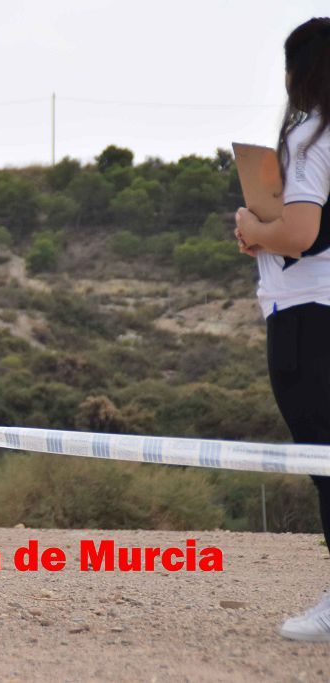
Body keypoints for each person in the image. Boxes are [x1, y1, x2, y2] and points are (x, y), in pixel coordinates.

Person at [234, 17, 330, 642]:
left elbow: (300, 234)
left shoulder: (310, 138)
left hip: (307, 317)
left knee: (326, 460)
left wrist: (252, 226)